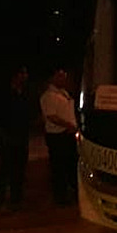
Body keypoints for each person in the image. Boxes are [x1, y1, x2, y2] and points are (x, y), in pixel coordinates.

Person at [0, 64, 31, 211]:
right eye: (22, 73)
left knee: (19, 169)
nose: (25, 76)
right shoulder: (3, 94)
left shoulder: (24, 94)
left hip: (21, 137)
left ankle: (16, 198)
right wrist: (3, 136)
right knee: (4, 169)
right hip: (7, 138)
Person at [40, 66, 78, 205]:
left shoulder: (64, 93)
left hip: (67, 135)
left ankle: (71, 192)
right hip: (57, 136)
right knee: (59, 167)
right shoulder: (48, 96)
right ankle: (60, 197)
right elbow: (51, 116)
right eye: (60, 76)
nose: (64, 79)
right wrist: (68, 125)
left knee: (70, 165)